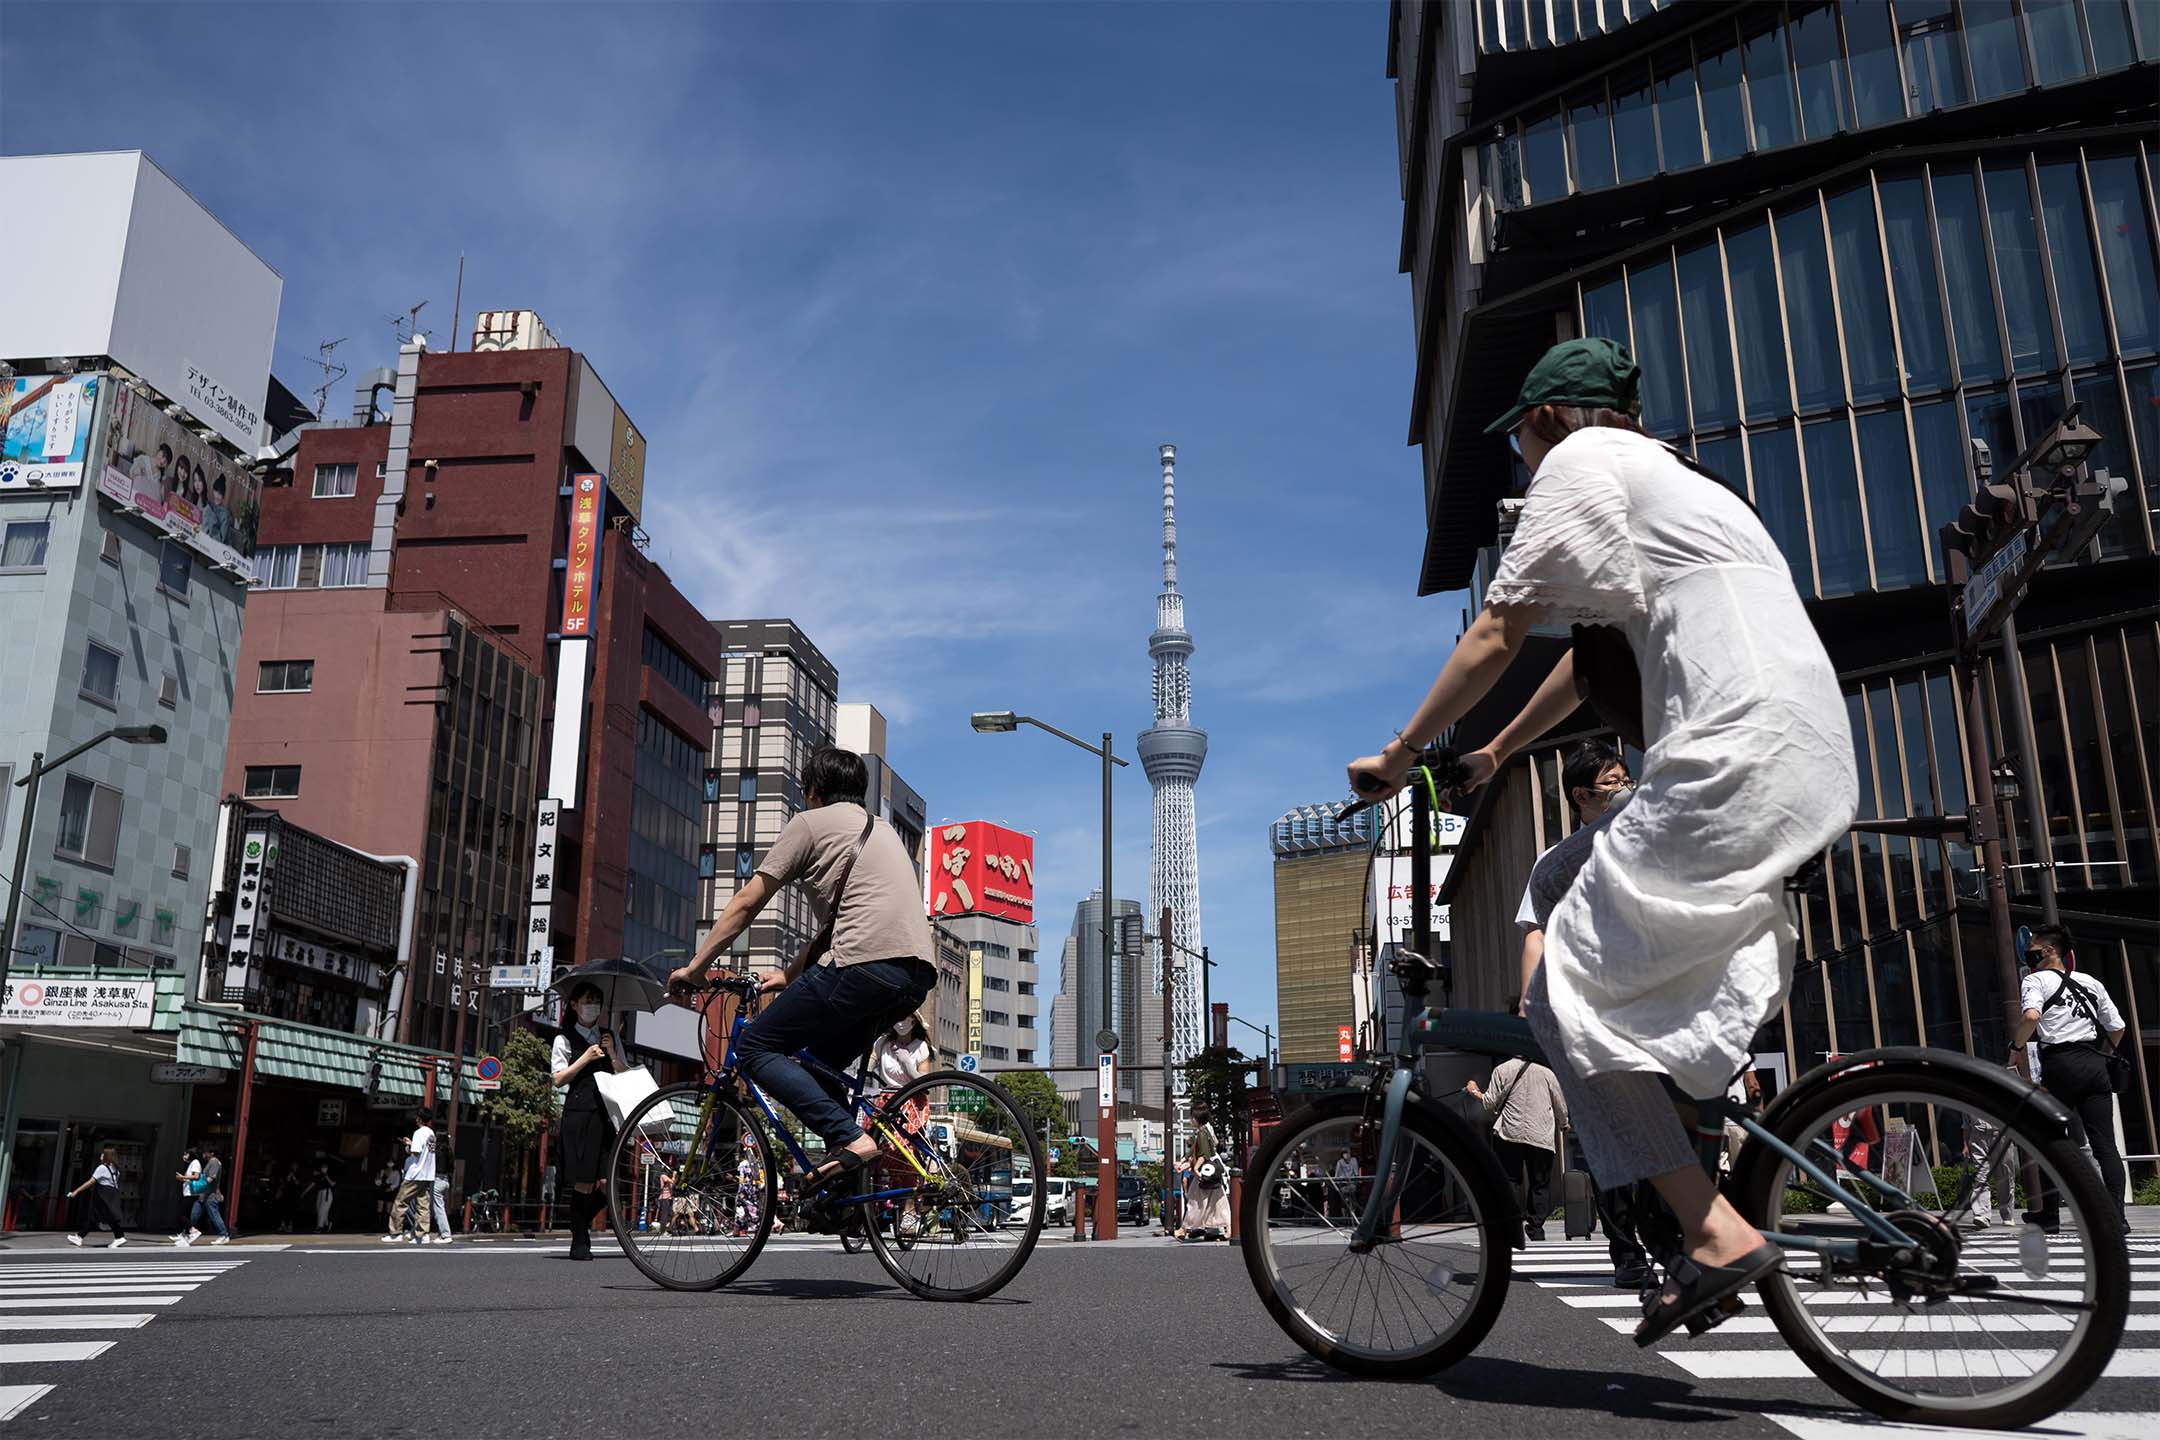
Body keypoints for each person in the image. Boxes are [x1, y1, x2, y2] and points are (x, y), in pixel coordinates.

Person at [1348, 337, 1857, 1344]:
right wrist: (1491, 750)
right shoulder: (1680, 488)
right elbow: (1588, 670)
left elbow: (1498, 629)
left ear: (1544, 423)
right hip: (1802, 743)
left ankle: (1711, 1231)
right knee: (1606, 924)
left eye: (1522, 448)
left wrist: (1404, 752)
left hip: (1727, 752)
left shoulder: (1580, 468)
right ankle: (1692, 1173)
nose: (1523, 469)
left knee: (1561, 991)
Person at [669, 747, 938, 1218]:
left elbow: (750, 900)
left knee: (754, 1048)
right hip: (915, 974)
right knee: (821, 1062)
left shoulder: (809, 824)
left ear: (811, 790)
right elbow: (839, 923)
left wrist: (695, 968)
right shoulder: (883, 832)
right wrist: (789, 976)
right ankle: (846, 1199)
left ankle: (851, 1140)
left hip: (862, 966)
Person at [1509, 741, 1655, 1288]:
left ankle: (1680, 1233)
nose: (1624, 788)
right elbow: (1536, 933)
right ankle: (1629, 1253)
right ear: (1582, 796)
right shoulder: (1557, 861)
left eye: (1625, 778)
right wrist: (1531, 999)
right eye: (1612, 782)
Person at [2012, 923, 2129, 1232]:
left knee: (2049, 1138)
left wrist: (2016, 1046)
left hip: (2060, 1065)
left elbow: (2031, 1017)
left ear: (2049, 950)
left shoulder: (2035, 980)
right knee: (2105, 1145)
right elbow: (2118, 1026)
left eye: (2034, 946)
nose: (2029, 950)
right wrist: (2102, 1053)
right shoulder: (2090, 982)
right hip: (2094, 1063)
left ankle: (2049, 1216)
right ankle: (2117, 1217)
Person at [1465, 1030, 1569, 1248]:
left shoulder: (1502, 1069)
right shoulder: (1547, 1073)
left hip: (1509, 1133)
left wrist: (1474, 1091)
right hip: (1540, 1135)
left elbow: (1489, 1103)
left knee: (1509, 1179)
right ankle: (1536, 1227)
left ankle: (1509, 1222)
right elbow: (1560, 1103)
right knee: (1540, 1183)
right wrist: (1563, 1123)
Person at [549, 982, 627, 1260]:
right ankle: (579, 1239)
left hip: (607, 1114)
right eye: (587, 1000)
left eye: (597, 1000)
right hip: (579, 1114)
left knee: (611, 1181)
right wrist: (585, 1057)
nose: (592, 1005)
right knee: (583, 1181)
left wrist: (613, 1053)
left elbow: (623, 1073)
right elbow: (557, 1079)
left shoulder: (608, 1036)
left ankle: (579, 1222)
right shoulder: (564, 1038)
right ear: (574, 1005)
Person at [381, 1108, 438, 1246]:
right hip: (428, 1173)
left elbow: (416, 1152)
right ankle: (422, 1234)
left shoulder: (418, 1133)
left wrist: (408, 1144)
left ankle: (395, 1233)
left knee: (401, 1201)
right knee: (423, 1204)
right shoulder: (431, 1134)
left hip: (415, 1174)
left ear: (419, 1119)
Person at [67, 1144, 127, 1248]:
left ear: (106, 1156)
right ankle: (80, 1237)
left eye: (102, 1154)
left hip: (104, 1196)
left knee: (100, 1217)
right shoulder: (115, 1169)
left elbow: (91, 1182)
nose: (101, 1156)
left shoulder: (102, 1168)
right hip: (112, 1195)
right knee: (100, 1217)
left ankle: (119, 1237)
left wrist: (76, 1191)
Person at [1183, 1107, 1231, 1240]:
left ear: (1197, 1119)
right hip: (1209, 1172)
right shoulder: (1203, 1132)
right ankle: (1203, 1228)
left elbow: (1204, 1154)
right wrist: (1184, 1161)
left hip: (1207, 1172)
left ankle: (1187, 1228)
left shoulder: (1203, 1133)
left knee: (1198, 1201)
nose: (1190, 1119)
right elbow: (1196, 1151)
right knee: (1215, 1202)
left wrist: (1196, 1169)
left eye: (1192, 1117)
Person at [180, 1145, 232, 1246]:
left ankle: (224, 1235)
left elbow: (210, 1179)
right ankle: (186, 1233)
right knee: (194, 1214)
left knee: (214, 1215)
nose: (204, 1154)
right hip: (203, 1195)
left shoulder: (214, 1162)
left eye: (206, 1152)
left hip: (210, 1195)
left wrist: (197, 1184)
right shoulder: (210, 1162)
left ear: (212, 1153)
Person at [305, 1160, 336, 1234]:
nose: (323, 1169)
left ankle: (319, 1227)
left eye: (325, 1168)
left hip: (327, 1193)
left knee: (322, 1210)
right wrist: (305, 1192)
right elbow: (312, 1184)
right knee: (319, 1210)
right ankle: (327, 1224)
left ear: (327, 1169)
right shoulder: (318, 1176)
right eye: (322, 1168)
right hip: (320, 1193)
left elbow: (332, 1184)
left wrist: (327, 1176)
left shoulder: (330, 1174)